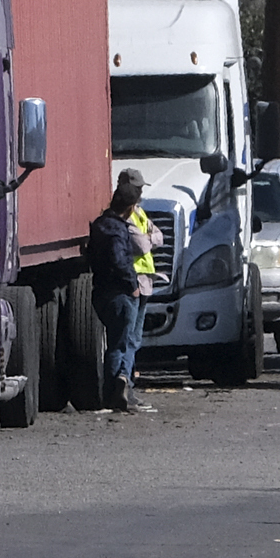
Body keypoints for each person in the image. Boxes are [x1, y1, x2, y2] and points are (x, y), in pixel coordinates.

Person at [86, 168, 160, 413]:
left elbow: (155, 238)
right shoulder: (121, 227)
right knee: (125, 341)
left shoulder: (100, 224)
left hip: (103, 290)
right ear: (130, 204)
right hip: (126, 290)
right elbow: (129, 253)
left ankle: (118, 385)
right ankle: (121, 383)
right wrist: (132, 285)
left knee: (119, 341)